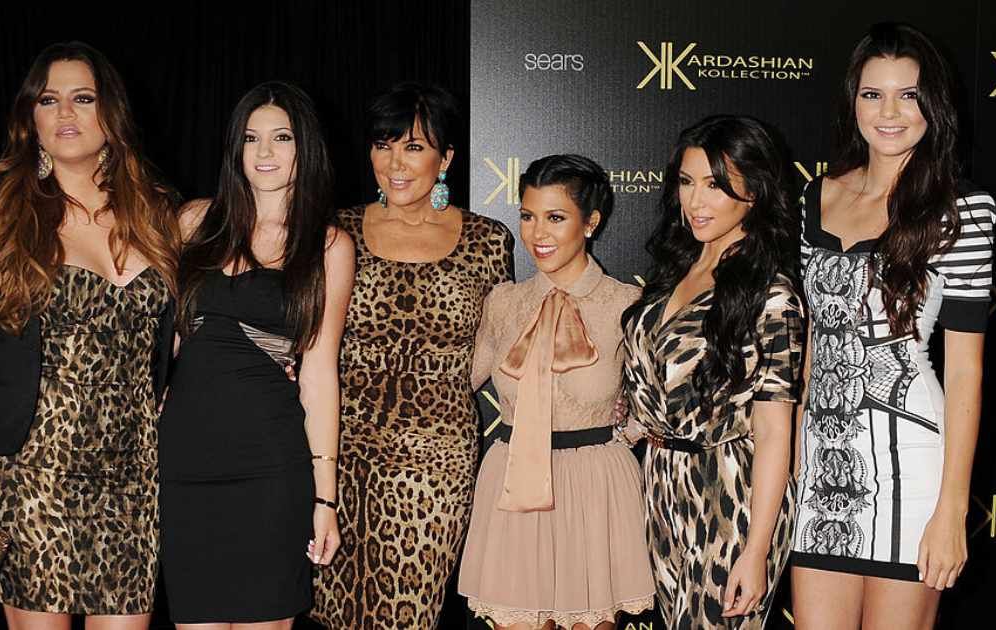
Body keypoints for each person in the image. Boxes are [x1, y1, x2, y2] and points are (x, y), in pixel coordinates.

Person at [0, 41, 180, 628]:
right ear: (30, 120)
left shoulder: (160, 216)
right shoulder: (0, 220)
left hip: (134, 478)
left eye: (82, 98)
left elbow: (182, 333)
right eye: (48, 100)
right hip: (30, 475)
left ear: (110, 113)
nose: (65, 112)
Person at [790, 23, 995, 630]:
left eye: (908, 95)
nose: (889, 113)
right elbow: (809, 345)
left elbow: (965, 370)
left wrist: (952, 509)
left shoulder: (963, 210)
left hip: (914, 465)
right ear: (852, 102)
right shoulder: (814, 198)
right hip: (820, 466)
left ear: (933, 105)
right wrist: (797, 455)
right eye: (873, 94)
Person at [309, 83, 513, 629]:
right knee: (332, 610)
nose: (395, 163)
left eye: (414, 147)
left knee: (410, 610)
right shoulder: (335, 231)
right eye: (384, 145)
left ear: (445, 159)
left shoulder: (488, 240)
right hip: (337, 451)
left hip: (435, 460)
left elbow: (497, 344)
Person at [157, 81, 353, 628]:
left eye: (281, 137)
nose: (265, 152)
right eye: (251, 138)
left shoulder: (328, 246)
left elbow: (319, 373)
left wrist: (325, 500)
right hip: (186, 464)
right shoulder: (193, 222)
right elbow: (164, 334)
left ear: (305, 147)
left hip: (271, 466)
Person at [458, 154, 656, 630]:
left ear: (591, 222)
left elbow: (659, 400)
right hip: (513, 487)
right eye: (528, 216)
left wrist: (623, 435)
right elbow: (456, 382)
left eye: (555, 218)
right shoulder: (503, 302)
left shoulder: (626, 304)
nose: (537, 234)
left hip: (594, 489)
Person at [620, 115, 802, 629]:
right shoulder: (675, 269)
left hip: (729, 493)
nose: (695, 201)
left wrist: (756, 549)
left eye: (716, 186)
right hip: (661, 484)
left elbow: (774, 432)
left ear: (754, 192)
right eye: (687, 182)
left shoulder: (772, 294)